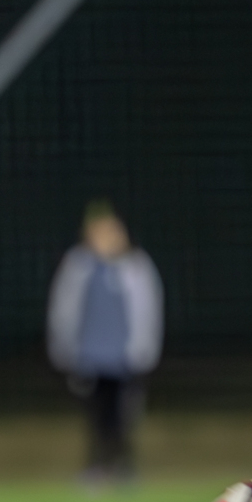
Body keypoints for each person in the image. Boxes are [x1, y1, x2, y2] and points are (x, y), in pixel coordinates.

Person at [47, 200, 164, 484]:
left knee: (124, 415)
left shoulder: (135, 267)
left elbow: (147, 310)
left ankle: (123, 466)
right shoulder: (78, 266)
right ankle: (97, 466)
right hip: (91, 358)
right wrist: (64, 349)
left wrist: (144, 349)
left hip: (124, 358)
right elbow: (64, 309)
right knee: (96, 416)